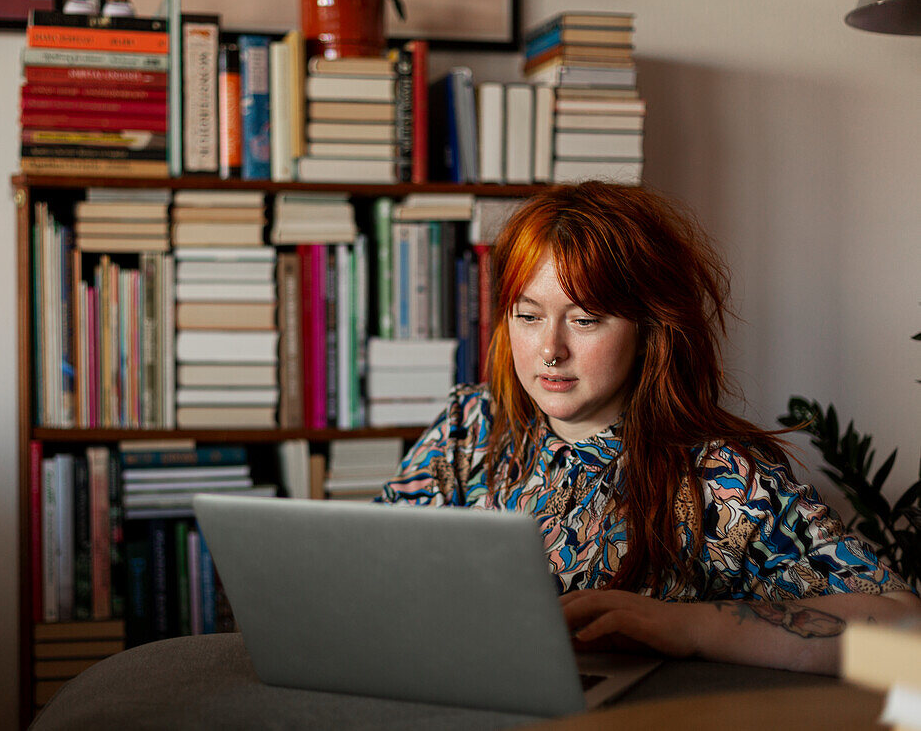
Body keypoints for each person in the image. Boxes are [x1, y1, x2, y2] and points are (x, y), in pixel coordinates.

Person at [377, 181, 919, 674]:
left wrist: (691, 626)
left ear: (650, 327)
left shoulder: (721, 477)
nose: (550, 350)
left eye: (585, 319)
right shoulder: (468, 425)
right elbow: (367, 573)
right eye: (528, 315)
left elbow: (904, 631)